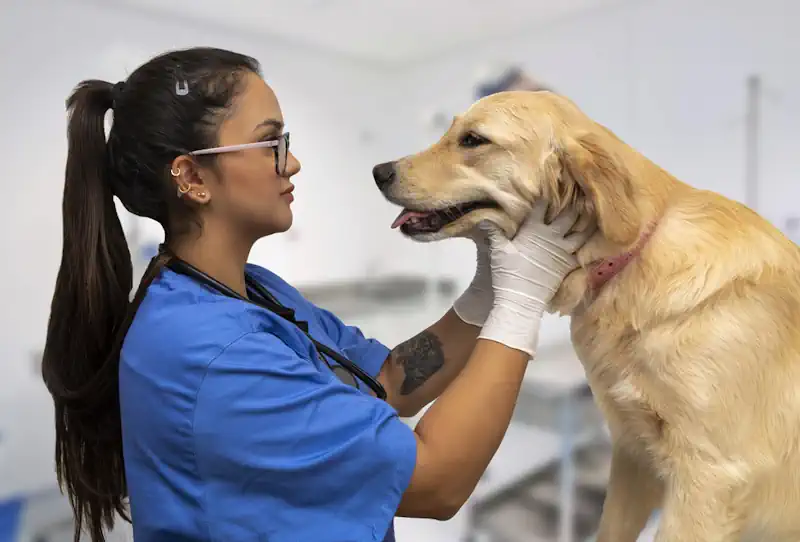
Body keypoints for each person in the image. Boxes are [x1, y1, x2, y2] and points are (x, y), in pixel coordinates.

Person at [40, 47, 591, 542]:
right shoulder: (208, 352)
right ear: (191, 177)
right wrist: (521, 298)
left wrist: (486, 290)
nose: (293, 162)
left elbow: (388, 381)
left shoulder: (252, 292)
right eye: (271, 143)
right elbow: (438, 482)